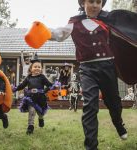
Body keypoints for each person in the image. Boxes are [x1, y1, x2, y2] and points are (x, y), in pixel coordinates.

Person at [49, 0, 130, 149]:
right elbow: (60, 34)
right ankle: (91, 146)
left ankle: (118, 124)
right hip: (87, 69)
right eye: (91, 1)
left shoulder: (108, 21)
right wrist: (45, 33)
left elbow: (125, 35)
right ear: (83, 3)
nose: (94, 5)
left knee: (114, 102)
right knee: (90, 106)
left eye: (98, 2)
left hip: (108, 66)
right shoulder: (74, 22)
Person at [13, 53, 52, 134]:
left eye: (39, 67)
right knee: (32, 111)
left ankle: (41, 118)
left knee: (40, 112)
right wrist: (15, 89)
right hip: (31, 98)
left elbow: (50, 85)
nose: (37, 68)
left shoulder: (42, 77)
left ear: (41, 69)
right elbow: (22, 85)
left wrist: (45, 91)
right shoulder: (28, 78)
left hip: (41, 98)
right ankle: (30, 127)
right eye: (35, 67)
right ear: (31, 69)